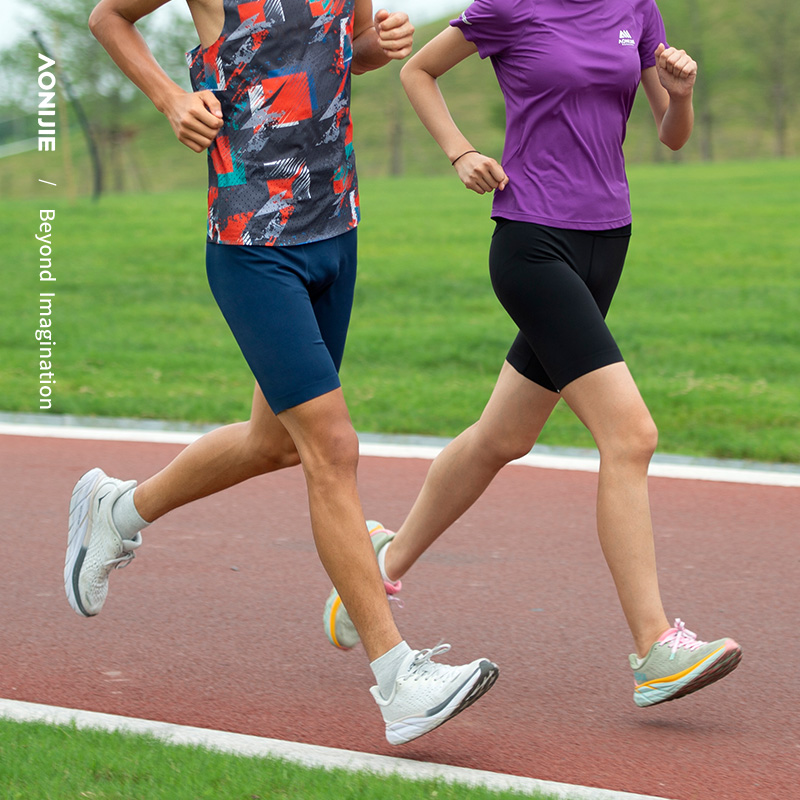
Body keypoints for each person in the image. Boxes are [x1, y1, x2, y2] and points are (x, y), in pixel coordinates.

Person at [65, 0, 498, 746]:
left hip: (337, 227)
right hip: (252, 239)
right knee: (331, 447)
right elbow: (109, 16)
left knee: (274, 441)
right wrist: (171, 97)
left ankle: (120, 511)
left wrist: (376, 43)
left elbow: (345, 51)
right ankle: (398, 679)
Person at [322, 0, 742, 708]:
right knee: (631, 435)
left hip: (608, 239)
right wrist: (462, 150)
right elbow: (418, 72)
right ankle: (653, 650)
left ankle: (379, 563)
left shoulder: (636, 8)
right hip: (532, 239)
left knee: (503, 437)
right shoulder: (510, 7)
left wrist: (683, 92)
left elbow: (672, 135)